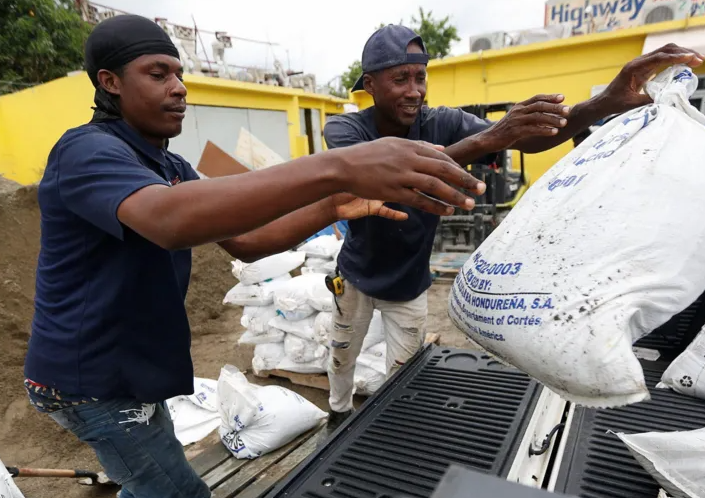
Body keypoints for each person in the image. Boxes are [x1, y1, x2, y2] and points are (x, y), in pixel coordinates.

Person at [23, 15, 485, 498]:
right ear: (110, 82)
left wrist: (332, 205)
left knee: (151, 481)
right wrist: (338, 166)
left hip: (129, 369)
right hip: (88, 380)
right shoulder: (86, 151)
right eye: (158, 75)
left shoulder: (168, 164)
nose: (179, 88)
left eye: (178, 74)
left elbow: (247, 240)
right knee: (179, 491)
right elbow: (167, 221)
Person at [323, 24, 705, 426]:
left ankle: (388, 428)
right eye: (401, 79)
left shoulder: (440, 123)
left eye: (420, 77)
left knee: (402, 375)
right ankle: (338, 411)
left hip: (408, 282)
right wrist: (488, 138)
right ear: (370, 85)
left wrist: (602, 103)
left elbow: (526, 139)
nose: (415, 90)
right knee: (342, 354)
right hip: (357, 277)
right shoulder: (346, 130)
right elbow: (383, 175)